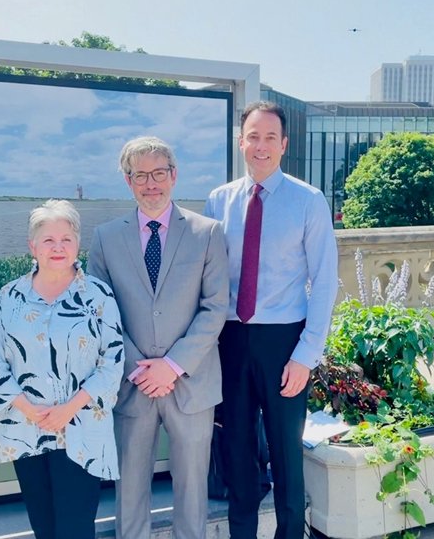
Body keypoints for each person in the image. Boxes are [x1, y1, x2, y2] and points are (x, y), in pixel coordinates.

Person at [204, 101, 338, 539]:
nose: (260, 146)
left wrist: (306, 356)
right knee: (237, 451)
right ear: (240, 141)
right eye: (252, 136)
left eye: (269, 137)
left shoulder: (308, 200)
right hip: (231, 340)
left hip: (285, 343)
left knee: (285, 455)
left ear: (283, 144)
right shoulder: (219, 201)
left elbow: (325, 281)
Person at [88, 137, 228, 539]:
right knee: (129, 492)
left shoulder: (207, 232)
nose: (151, 184)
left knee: (191, 494)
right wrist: (139, 367)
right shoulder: (106, 237)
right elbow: (102, 310)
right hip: (132, 386)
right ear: (128, 181)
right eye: (140, 176)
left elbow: (215, 307)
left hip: (190, 383)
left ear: (174, 175)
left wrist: (172, 365)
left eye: (159, 173)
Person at [0, 200, 124, 539]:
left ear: (78, 244)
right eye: (48, 240)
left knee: (75, 530)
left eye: (66, 239)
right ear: (33, 246)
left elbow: (113, 362)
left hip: (81, 429)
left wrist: (68, 410)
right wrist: (31, 409)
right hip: (25, 429)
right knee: (44, 528)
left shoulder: (98, 297)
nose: (58, 247)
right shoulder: (9, 297)